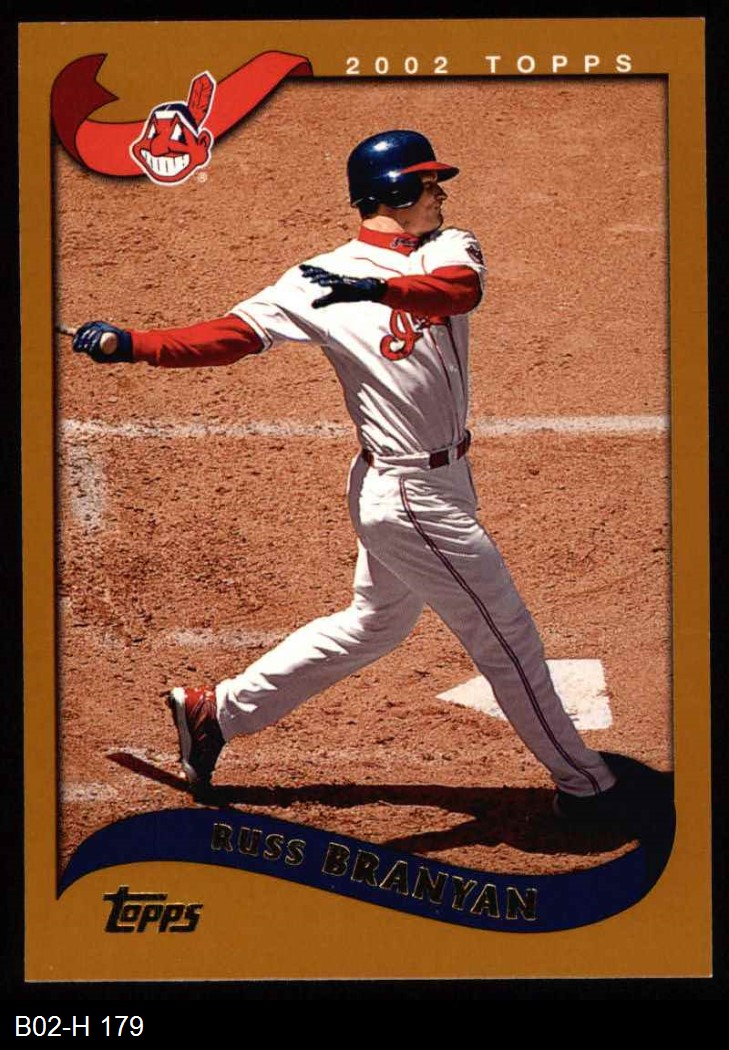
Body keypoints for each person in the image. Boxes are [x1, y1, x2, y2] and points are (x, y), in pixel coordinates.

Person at [73, 129, 621, 821]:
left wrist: (378, 287)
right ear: (393, 190)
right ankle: (587, 788)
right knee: (505, 637)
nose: (440, 193)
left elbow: (458, 293)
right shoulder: (316, 279)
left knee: (376, 623)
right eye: (427, 183)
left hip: (442, 481)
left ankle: (217, 713)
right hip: (406, 494)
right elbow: (231, 335)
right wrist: (132, 344)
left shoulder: (447, 246)